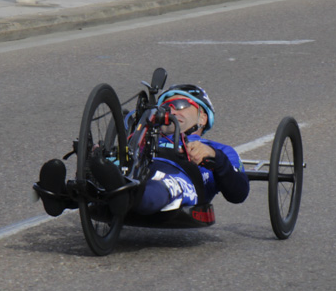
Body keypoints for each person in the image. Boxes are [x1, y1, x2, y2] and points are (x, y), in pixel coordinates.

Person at [36, 84, 250, 218]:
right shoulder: (144, 137)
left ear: (203, 117)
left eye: (181, 104)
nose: (171, 110)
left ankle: (125, 197)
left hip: (183, 176)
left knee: (165, 185)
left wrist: (214, 157)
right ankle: (60, 197)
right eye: (166, 106)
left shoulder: (218, 149)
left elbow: (239, 193)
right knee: (109, 166)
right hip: (138, 167)